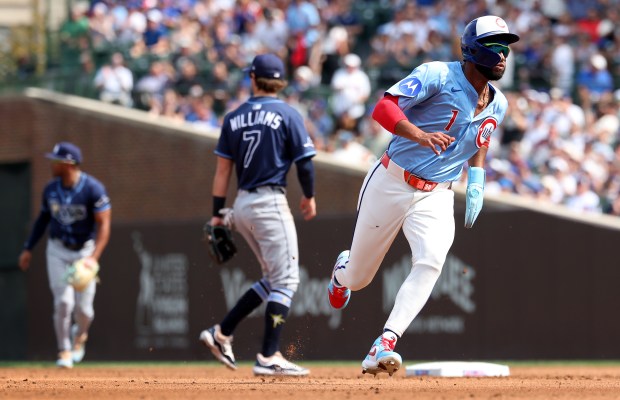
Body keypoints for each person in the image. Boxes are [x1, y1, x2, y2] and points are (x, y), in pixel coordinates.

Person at [326, 15, 519, 376]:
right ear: (473, 50)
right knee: (359, 278)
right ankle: (341, 273)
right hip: (392, 179)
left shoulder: (498, 102)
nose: (503, 55)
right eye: (495, 47)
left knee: (431, 261)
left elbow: (482, 137)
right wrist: (419, 134)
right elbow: (383, 107)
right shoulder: (438, 74)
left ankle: (384, 342)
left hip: (438, 194)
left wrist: (476, 178)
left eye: (506, 48)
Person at [199, 53, 317, 376]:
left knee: (272, 279)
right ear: (280, 82)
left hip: (241, 206)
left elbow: (222, 171)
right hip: (269, 203)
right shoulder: (288, 114)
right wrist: (308, 195)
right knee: (288, 279)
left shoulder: (233, 118)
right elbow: (305, 163)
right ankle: (268, 356)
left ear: (253, 78)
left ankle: (220, 333)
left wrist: (217, 214)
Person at [18, 142, 112, 368]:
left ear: (68, 164)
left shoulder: (93, 189)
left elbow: (104, 225)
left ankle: (79, 337)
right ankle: (64, 351)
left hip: (84, 251)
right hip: (58, 250)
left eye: (56, 160)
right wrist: (28, 248)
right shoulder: (51, 189)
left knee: (85, 311)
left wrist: (94, 258)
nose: (52, 163)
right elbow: (42, 221)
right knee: (63, 302)